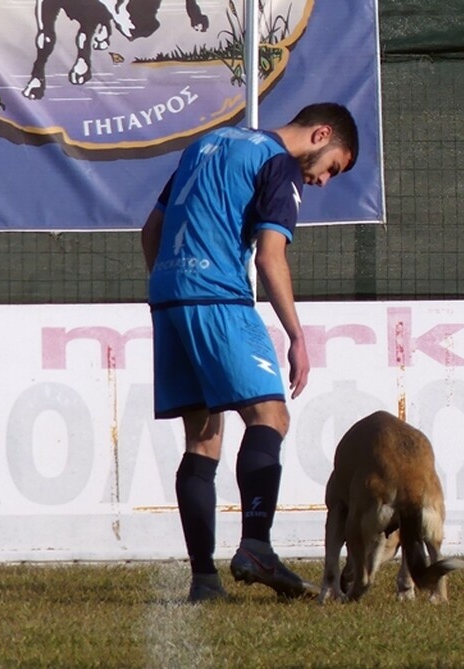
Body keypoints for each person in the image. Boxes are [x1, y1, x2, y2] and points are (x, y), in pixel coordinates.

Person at [141, 103, 359, 602]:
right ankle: (257, 546)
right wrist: (298, 336)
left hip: (168, 296)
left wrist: (169, 289)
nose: (325, 181)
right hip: (219, 296)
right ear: (320, 134)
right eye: (333, 167)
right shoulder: (278, 163)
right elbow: (269, 254)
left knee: (202, 437)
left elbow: (150, 231)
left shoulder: (204, 146)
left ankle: (204, 581)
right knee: (271, 415)